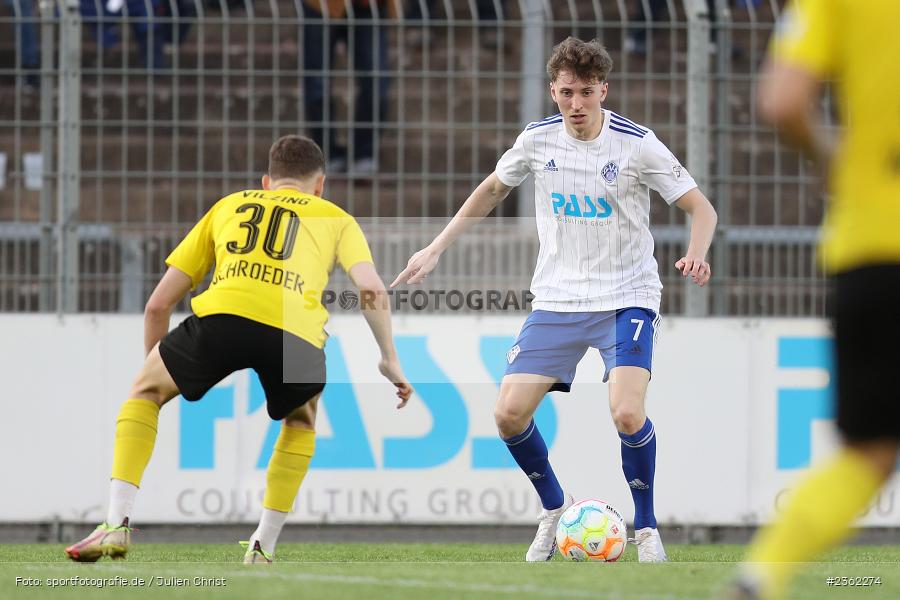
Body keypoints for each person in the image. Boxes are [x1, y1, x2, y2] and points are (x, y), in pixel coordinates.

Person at [392, 37, 717, 562]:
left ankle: (648, 530)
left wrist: (697, 253)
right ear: (553, 91)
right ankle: (553, 508)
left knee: (627, 414)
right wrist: (436, 246)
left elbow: (702, 209)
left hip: (626, 297)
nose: (576, 104)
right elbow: (492, 190)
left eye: (587, 92)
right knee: (507, 414)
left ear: (604, 90)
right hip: (558, 300)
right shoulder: (537, 140)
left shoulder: (637, 144)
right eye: (567, 92)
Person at [65, 135, 413, 564]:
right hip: (297, 331)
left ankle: (116, 524)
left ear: (267, 182)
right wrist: (388, 357)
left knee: (143, 394)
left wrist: (157, 370)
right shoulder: (336, 218)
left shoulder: (229, 205)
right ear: (319, 185)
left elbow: (158, 303)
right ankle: (263, 545)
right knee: (300, 422)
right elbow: (371, 289)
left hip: (223, 317)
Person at [728, 1, 900, 598]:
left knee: (869, 454)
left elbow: (782, 101)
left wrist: (838, 165)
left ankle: (760, 578)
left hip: (874, 244)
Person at [302, 0, 394, 174]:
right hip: (320, 5)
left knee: (376, 85)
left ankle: (363, 153)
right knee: (316, 86)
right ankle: (327, 154)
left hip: (369, 6)